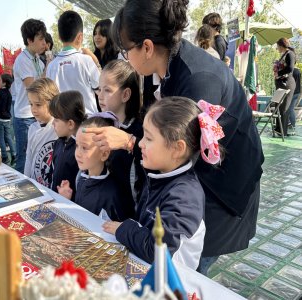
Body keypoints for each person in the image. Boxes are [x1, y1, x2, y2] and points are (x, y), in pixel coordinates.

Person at [91, 0, 263, 275]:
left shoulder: (198, 80)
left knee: (186, 267)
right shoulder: (154, 69)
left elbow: (179, 150)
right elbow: (156, 129)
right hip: (191, 181)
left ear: (146, 47)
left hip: (219, 189)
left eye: (125, 50)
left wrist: (128, 141)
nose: (124, 58)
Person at [103, 97, 225, 269]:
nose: (141, 144)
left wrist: (123, 229)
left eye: (149, 138)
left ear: (177, 148)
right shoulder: (161, 176)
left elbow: (157, 252)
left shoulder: (184, 197)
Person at [58, 114, 134, 222]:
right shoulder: (81, 178)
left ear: (104, 154)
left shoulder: (111, 195)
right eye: (77, 145)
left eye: (84, 147)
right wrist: (67, 199)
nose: (78, 153)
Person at [97, 60, 144, 204]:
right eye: (99, 89)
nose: (100, 95)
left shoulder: (141, 132)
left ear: (125, 95)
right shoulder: (99, 124)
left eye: (107, 90)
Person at [46, 10, 100, 114]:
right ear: (80, 37)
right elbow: (100, 90)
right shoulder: (86, 60)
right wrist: (97, 63)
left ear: (59, 36)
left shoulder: (51, 66)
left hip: (63, 124)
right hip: (87, 124)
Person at [12, 18, 47, 172]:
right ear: (29, 40)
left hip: (37, 114)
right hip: (25, 117)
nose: (44, 43)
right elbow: (34, 88)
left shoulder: (38, 61)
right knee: (24, 157)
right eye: (40, 39)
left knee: (36, 154)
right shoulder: (22, 60)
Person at [49, 90, 87, 201]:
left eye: (56, 120)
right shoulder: (58, 143)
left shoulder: (80, 151)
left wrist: (69, 199)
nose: (52, 123)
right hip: (56, 200)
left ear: (70, 124)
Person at [24, 78, 59, 188]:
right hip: (35, 186)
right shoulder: (32, 128)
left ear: (52, 102)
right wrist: (26, 181)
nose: (33, 109)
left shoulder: (58, 128)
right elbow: (29, 158)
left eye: (38, 105)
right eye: (31, 104)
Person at [274, 38, 296, 136]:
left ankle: (283, 131)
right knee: (278, 107)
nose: (277, 48)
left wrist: (278, 72)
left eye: (277, 46)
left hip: (287, 84)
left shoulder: (290, 54)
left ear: (281, 45)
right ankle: (278, 129)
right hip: (281, 83)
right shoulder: (284, 54)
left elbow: (290, 68)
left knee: (284, 108)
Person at [0, 74, 16, 165]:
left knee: (0, 138)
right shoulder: (9, 93)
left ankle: (4, 156)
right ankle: (14, 154)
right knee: (8, 137)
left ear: (4, 83)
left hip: (0, 118)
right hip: (7, 118)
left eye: (0, 80)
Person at [288, 67, 301, 135]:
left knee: (289, 109)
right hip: (297, 92)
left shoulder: (290, 71)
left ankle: (291, 125)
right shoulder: (298, 71)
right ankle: (292, 125)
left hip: (292, 92)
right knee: (291, 109)